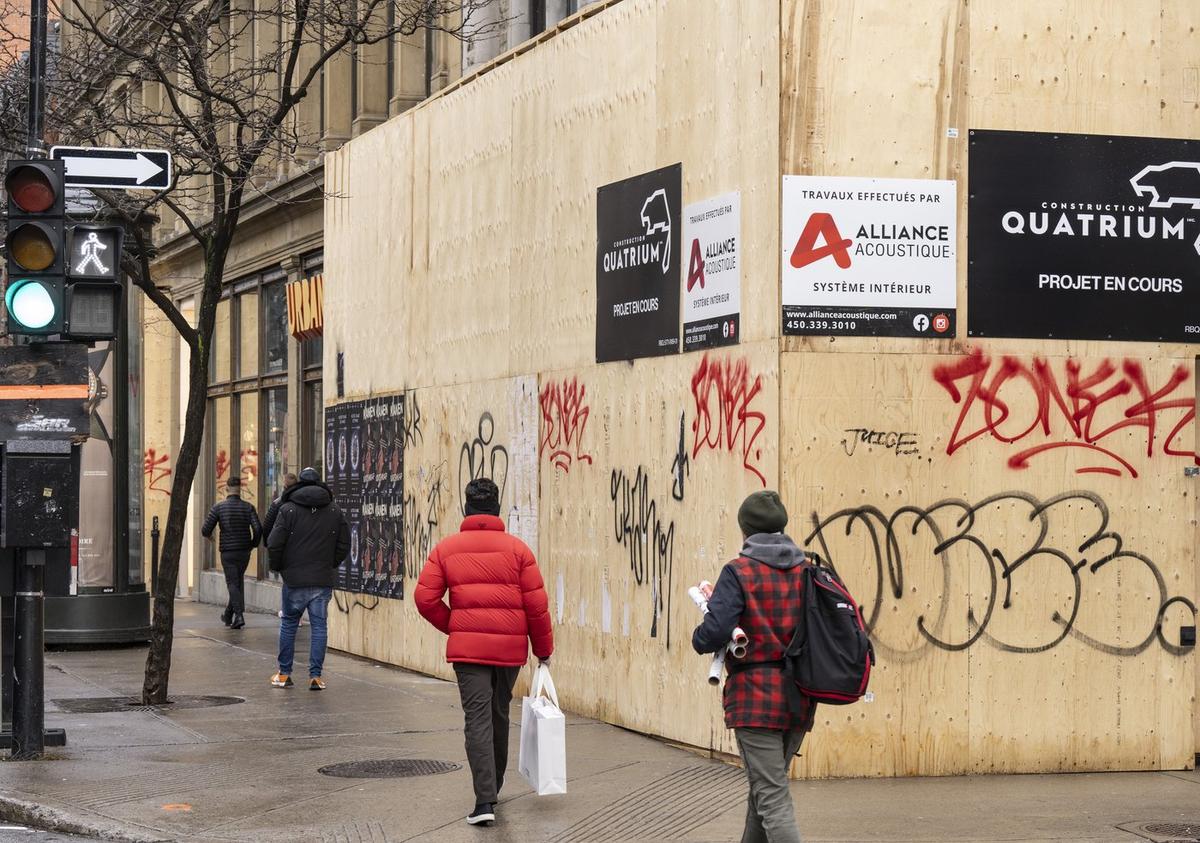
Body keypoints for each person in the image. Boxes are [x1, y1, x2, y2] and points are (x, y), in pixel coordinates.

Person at [415, 478, 553, 828]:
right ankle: (495, 787)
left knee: (476, 719)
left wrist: (456, 625)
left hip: (469, 652)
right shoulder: (518, 550)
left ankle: (484, 800)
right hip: (509, 650)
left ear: (466, 507)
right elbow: (536, 607)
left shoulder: (447, 549)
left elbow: (424, 598)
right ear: (497, 507)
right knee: (499, 714)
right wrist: (544, 650)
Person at [692, 490, 815, 843]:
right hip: (800, 696)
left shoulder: (739, 571)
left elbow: (714, 632)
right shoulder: (807, 570)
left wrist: (699, 636)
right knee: (763, 790)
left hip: (755, 700)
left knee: (772, 797)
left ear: (745, 530)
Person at [266, 467, 350, 691]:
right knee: (319, 626)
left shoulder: (288, 510)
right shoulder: (334, 510)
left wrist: (278, 566)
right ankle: (315, 676)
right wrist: (331, 563)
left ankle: (284, 674)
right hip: (321, 578)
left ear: (299, 484)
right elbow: (344, 543)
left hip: (294, 578)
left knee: (289, 625)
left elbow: (274, 543)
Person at [201, 476, 262, 630]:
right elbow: (258, 528)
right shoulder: (248, 507)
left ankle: (239, 615)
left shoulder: (218, 508)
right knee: (237, 581)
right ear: (240, 488)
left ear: (227, 488)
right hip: (244, 550)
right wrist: (253, 543)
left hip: (228, 551)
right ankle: (229, 615)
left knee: (232, 583)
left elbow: (205, 529)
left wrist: (211, 537)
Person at [262, 472, 299, 544]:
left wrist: (267, 543)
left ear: (284, 485)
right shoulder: (303, 501)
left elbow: (267, 525)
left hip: (281, 543)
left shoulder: (277, 503)